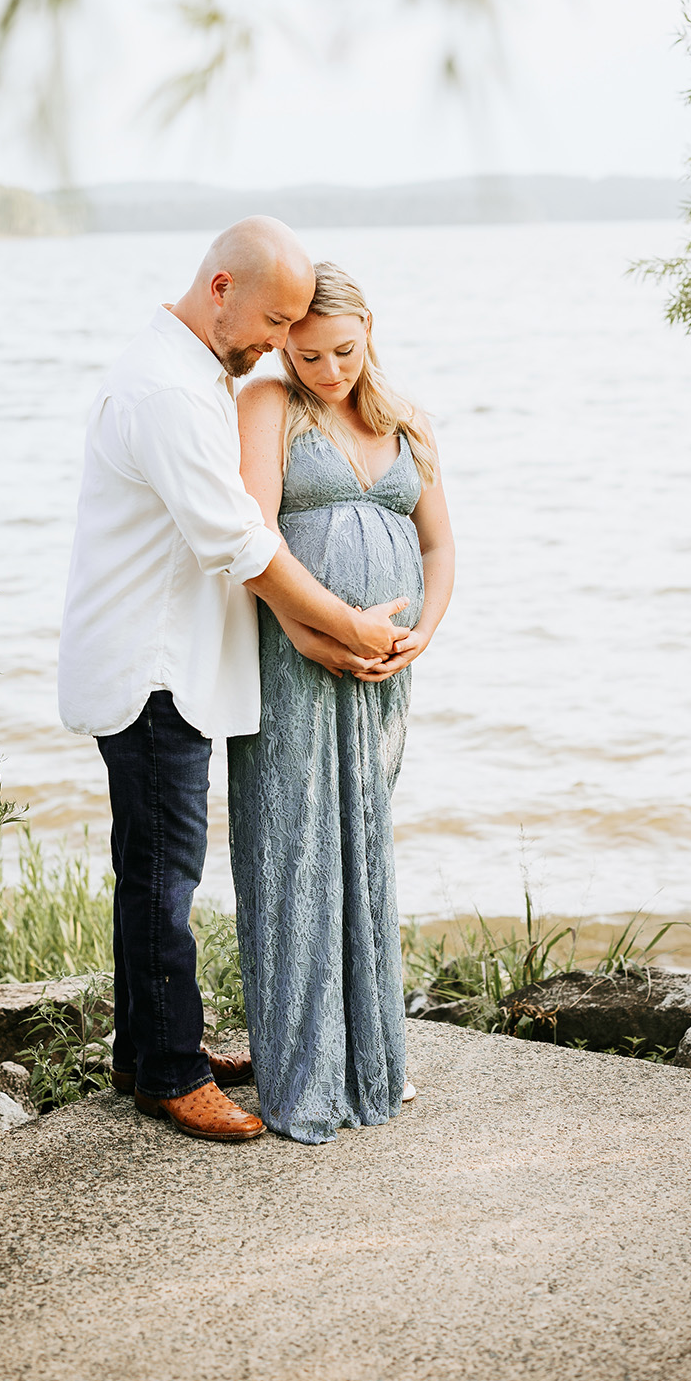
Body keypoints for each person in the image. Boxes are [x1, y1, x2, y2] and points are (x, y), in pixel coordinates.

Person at [57, 219, 411, 1144]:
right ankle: (172, 1075)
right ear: (221, 288)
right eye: (270, 321)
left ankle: (146, 1049)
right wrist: (343, 626)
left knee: (148, 865)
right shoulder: (164, 389)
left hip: (169, 664)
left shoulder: (191, 371)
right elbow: (241, 540)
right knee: (163, 878)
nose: (274, 345)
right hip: (152, 673)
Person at [228, 261, 455, 1143]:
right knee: (296, 849)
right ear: (284, 340)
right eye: (309, 353)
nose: (327, 372)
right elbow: (255, 541)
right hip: (295, 659)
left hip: (385, 673)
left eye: (344, 353)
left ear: (370, 331)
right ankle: (306, 1075)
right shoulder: (268, 406)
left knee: (364, 845)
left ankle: (372, 1062)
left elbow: (437, 550)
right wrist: (317, 633)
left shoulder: (408, 422)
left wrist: (421, 633)